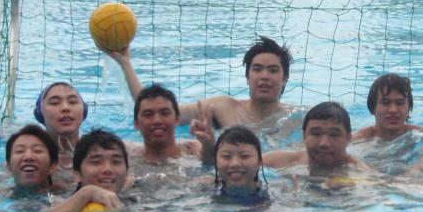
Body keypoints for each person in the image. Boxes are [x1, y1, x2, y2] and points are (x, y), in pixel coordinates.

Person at [104, 36, 296, 130]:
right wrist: (125, 63)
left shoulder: (296, 119)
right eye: (257, 69)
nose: (264, 76)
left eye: (273, 70)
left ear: (285, 78)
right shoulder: (223, 107)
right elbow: (159, 112)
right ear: (247, 77)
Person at [40, 129, 129, 212]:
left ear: (127, 172)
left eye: (116, 162)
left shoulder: (135, 201)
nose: (108, 169)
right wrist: (87, 193)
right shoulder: (56, 201)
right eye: (96, 162)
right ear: (77, 174)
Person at [263, 102, 371, 176]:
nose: (324, 143)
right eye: (316, 133)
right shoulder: (281, 161)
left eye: (334, 135)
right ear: (304, 136)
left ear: (349, 139)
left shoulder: (361, 172)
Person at [130, 83, 215, 165]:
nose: (157, 121)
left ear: (177, 119)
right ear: (136, 124)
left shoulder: (193, 150)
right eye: (148, 114)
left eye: (164, 113)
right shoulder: (127, 155)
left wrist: (208, 144)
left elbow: (211, 162)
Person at [353, 73, 423, 141]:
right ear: (372, 108)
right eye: (386, 103)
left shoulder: (421, 134)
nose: (393, 110)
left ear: (409, 107)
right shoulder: (356, 140)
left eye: (400, 103)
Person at [34, 81, 87, 187]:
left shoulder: (102, 149)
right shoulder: (28, 157)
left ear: (84, 112)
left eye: (72, 102)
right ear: (40, 114)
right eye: (54, 103)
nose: (65, 108)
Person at [213, 126, 270, 204]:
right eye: (226, 156)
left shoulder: (272, 194)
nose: (235, 164)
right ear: (216, 162)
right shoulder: (205, 189)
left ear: (259, 162)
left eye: (245, 156)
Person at [5, 124, 58, 196]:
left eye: (37, 151)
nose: (28, 157)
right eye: (20, 151)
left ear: (52, 166)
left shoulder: (69, 197)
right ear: (9, 166)